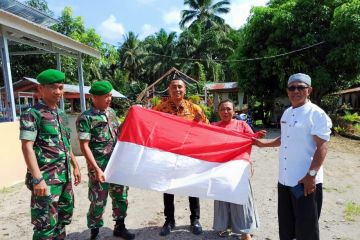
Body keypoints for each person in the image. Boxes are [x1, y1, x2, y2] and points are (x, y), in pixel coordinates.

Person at [253, 73, 332, 240]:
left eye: (300, 87)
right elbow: (285, 139)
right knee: (286, 225)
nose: (296, 91)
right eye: (292, 87)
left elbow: (323, 146)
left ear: (309, 90)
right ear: (287, 91)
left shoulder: (316, 114)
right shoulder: (287, 113)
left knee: (306, 228)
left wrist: (311, 175)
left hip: (305, 182)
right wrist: (262, 144)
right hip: (285, 180)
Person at [20, 69, 81, 240]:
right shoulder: (32, 113)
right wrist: (37, 179)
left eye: (61, 87)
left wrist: (75, 165)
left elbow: (65, 144)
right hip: (46, 179)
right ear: (41, 89)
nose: (58, 92)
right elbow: (27, 147)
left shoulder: (61, 114)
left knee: (62, 220)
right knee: (45, 226)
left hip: (64, 178)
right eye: (53, 88)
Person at [76, 81, 135, 240]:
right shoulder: (86, 118)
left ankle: (120, 227)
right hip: (99, 166)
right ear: (94, 97)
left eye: (110, 95)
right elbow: (84, 146)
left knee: (121, 196)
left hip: (116, 164)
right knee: (98, 200)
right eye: (105, 96)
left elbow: (119, 133)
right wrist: (96, 168)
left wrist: (130, 116)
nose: (109, 99)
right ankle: (94, 232)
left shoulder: (111, 113)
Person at [153, 79, 209, 236]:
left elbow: (208, 130)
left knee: (193, 186)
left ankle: (195, 220)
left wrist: (199, 122)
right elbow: (151, 125)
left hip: (190, 155)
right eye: (173, 87)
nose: (177, 89)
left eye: (180, 87)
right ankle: (169, 221)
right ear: (168, 90)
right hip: (169, 155)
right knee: (168, 188)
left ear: (185, 90)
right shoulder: (160, 108)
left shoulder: (194, 108)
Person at [212, 99, 266, 240]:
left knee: (241, 197)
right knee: (222, 197)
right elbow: (202, 138)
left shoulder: (242, 124)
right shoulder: (214, 126)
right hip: (220, 167)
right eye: (222, 109)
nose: (225, 112)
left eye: (228, 109)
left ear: (234, 111)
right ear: (218, 112)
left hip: (238, 167)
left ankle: (245, 230)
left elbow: (252, 139)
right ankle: (224, 226)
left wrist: (257, 136)